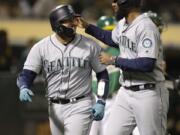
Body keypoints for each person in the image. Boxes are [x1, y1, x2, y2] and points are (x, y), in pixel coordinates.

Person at [77, 0, 169, 135]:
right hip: (125, 92)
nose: (113, 5)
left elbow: (146, 64)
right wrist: (88, 27)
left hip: (148, 92)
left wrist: (114, 60)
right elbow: (111, 39)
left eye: (116, 1)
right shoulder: (123, 23)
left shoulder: (146, 27)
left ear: (128, 3)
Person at [16, 5, 109, 135]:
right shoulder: (41, 47)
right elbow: (27, 73)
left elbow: (102, 74)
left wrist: (101, 100)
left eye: (74, 19)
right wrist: (24, 86)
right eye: (68, 20)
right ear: (56, 24)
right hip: (54, 106)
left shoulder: (90, 45)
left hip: (81, 104)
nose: (73, 24)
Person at [90, 16, 121, 135]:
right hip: (92, 98)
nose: (109, 33)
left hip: (112, 100)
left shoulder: (120, 51)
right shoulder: (91, 49)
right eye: (106, 30)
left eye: (111, 30)